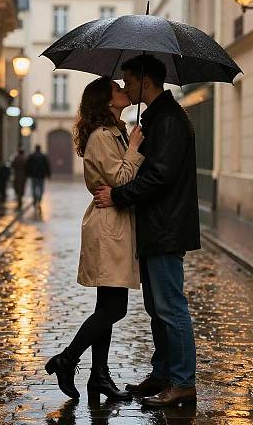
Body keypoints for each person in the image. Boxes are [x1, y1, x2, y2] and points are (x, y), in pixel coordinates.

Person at [94, 54, 200, 407]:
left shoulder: (169, 120)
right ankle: (163, 374)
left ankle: (183, 382)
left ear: (146, 81)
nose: (124, 87)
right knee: (158, 309)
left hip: (165, 227)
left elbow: (158, 177)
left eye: (128, 80)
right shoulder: (156, 118)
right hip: (155, 227)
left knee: (171, 308)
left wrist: (119, 195)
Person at [44, 76, 145, 402]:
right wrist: (133, 150)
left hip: (115, 223)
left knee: (108, 306)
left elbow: (121, 180)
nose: (124, 91)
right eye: (118, 89)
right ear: (105, 100)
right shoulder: (103, 136)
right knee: (114, 308)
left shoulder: (116, 132)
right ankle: (67, 359)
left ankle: (98, 377)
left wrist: (129, 142)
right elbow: (121, 178)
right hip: (108, 228)